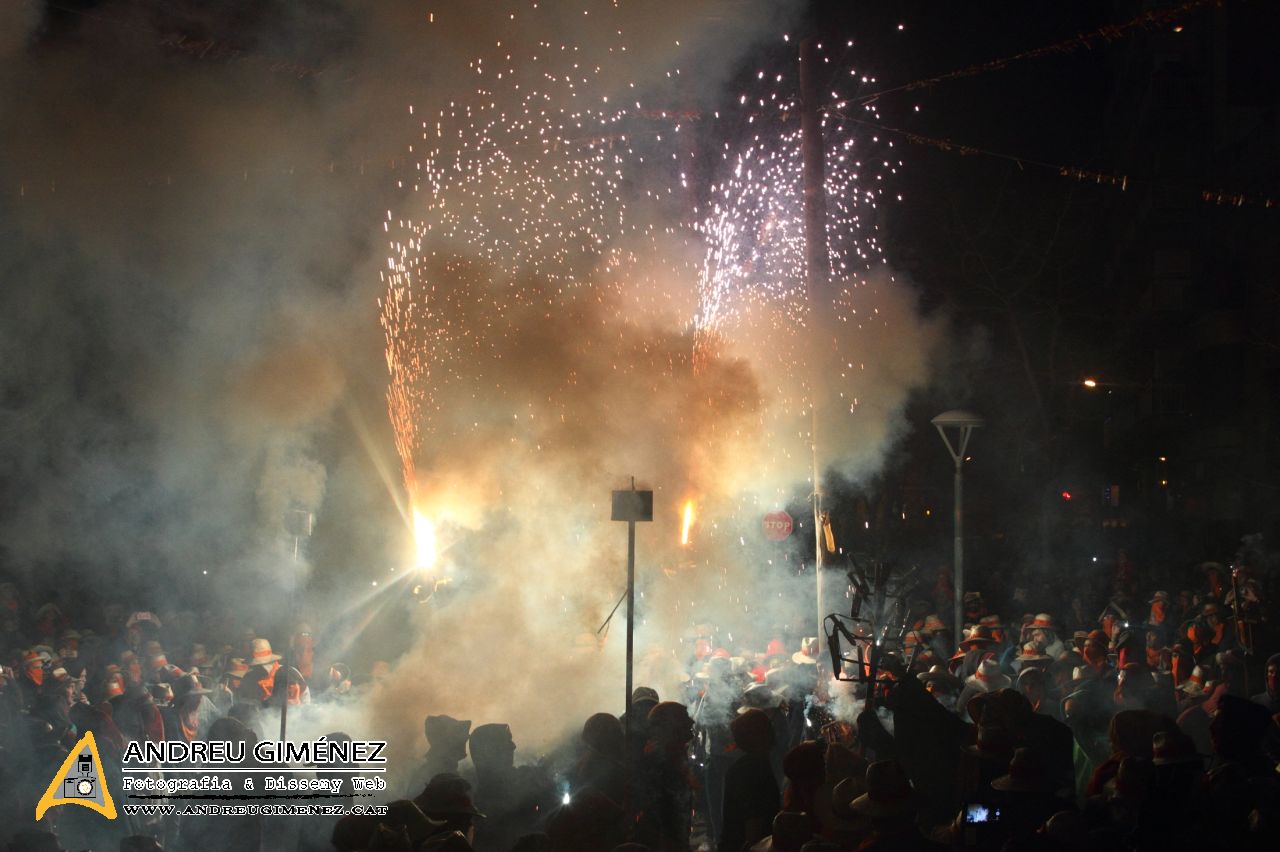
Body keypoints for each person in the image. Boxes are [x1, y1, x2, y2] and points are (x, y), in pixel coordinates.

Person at [635, 701, 696, 852]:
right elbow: (662, 810)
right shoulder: (661, 759)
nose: (691, 721)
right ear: (671, 725)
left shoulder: (673, 754)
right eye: (684, 717)